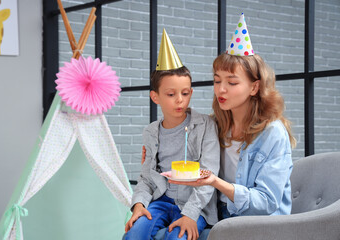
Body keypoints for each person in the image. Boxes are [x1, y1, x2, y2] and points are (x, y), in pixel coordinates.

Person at [168, 13, 296, 222]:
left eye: (232, 83)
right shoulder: (215, 125)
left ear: (254, 87)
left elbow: (267, 201)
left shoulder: (273, 132)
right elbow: (187, 156)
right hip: (218, 215)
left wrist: (216, 182)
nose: (221, 89)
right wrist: (157, 148)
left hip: (261, 222)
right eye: (217, 81)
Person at [124, 29, 220, 240]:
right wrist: (139, 204)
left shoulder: (206, 126)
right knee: (133, 235)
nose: (180, 100)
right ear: (155, 96)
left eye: (185, 93)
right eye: (171, 94)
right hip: (160, 202)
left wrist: (190, 215)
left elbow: (209, 176)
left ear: (191, 93)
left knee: (176, 237)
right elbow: (147, 178)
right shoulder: (150, 132)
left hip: (195, 204)